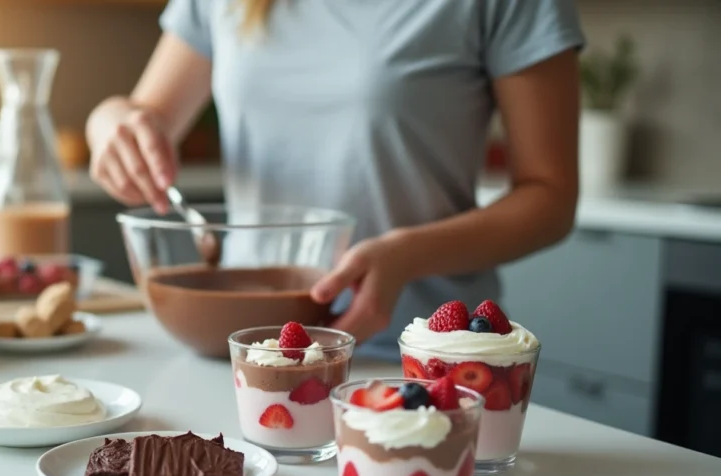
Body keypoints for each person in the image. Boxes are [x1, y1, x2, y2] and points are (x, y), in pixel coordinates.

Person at [85, 0, 584, 360]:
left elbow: (551, 196)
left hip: (417, 355)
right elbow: (140, 115)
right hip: (246, 349)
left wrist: (405, 254)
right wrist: (108, 123)